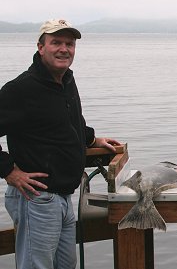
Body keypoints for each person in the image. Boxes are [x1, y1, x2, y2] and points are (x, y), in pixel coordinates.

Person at [0, 19, 120, 269]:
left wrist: (92, 139)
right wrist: (9, 171)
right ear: (40, 47)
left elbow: (67, 123)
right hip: (36, 198)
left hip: (64, 197)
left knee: (67, 265)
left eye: (69, 43)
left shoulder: (65, 81)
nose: (64, 49)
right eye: (56, 42)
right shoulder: (21, 89)